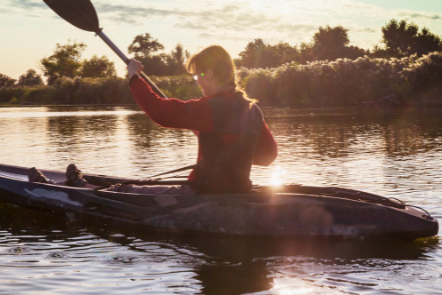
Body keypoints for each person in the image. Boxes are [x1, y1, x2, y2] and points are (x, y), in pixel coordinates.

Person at [32, 45, 278, 194]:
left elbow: (159, 111)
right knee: (140, 187)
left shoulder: (212, 107)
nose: (198, 83)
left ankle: (78, 188)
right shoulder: (251, 109)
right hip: (237, 192)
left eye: (197, 77)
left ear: (210, 74)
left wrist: (133, 78)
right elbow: (268, 157)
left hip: (204, 194)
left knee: (126, 191)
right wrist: (221, 140)